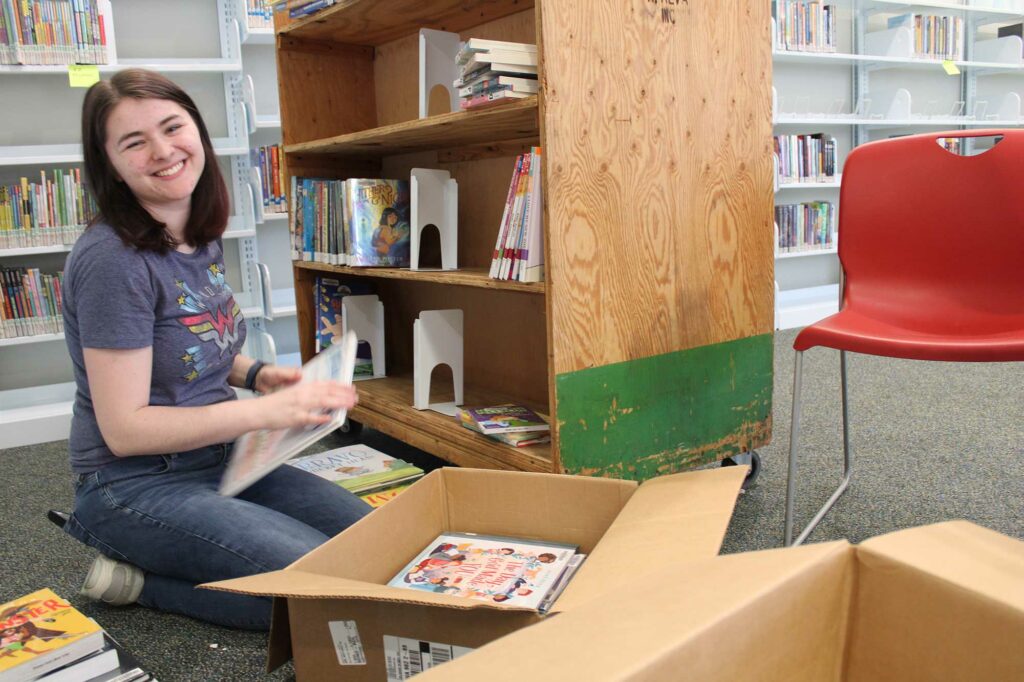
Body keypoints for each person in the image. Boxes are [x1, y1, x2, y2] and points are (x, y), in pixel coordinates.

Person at [60, 68, 371, 631]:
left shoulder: (193, 230)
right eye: (135, 143)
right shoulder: (112, 261)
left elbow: (190, 344)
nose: (162, 151)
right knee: (329, 593)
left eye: (172, 127)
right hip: (133, 482)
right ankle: (142, 584)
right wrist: (262, 413)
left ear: (197, 132)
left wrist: (257, 375)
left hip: (221, 458)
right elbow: (125, 429)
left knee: (376, 546)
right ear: (110, 163)